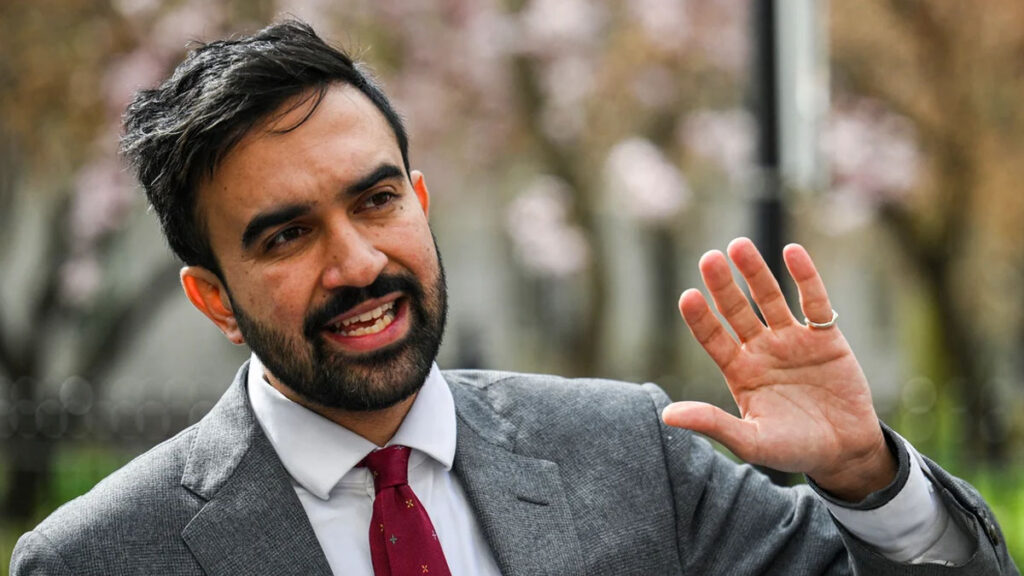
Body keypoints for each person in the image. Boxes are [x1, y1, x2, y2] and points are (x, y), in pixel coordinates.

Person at [11, 20, 1018, 576]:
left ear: (420, 201)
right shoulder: (98, 560)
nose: (356, 262)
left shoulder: (633, 455)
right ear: (213, 299)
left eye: (376, 200)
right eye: (286, 236)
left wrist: (867, 479)